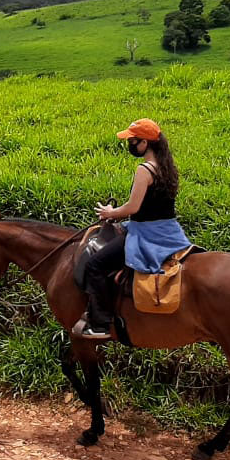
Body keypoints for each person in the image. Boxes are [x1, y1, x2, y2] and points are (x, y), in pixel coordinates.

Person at [76, 118, 192, 341]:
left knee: (95, 265)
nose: (129, 144)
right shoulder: (168, 167)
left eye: (132, 140)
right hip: (169, 230)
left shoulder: (144, 170)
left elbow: (133, 207)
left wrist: (110, 213)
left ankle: (100, 323)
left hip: (145, 232)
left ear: (145, 143)